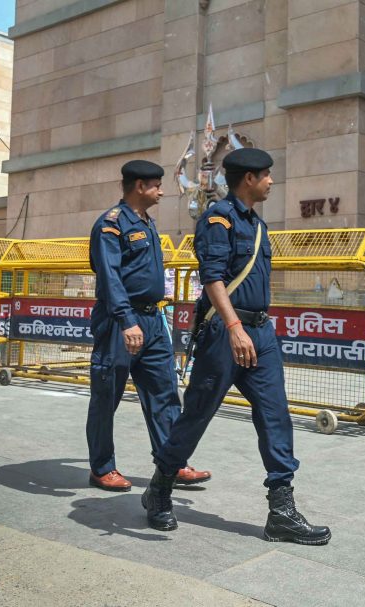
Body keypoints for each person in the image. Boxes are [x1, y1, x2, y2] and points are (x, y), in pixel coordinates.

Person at [141, 148, 330, 545]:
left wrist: (252, 329)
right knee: (196, 415)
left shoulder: (257, 224)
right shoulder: (217, 219)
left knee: (275, 415)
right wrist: (232, 326)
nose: (271, 181)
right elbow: (212, 278)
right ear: (248, 179)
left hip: (260, 332)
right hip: (226, 333)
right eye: (266, 175)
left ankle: (281, 512)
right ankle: (160, 488)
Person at [86, 160, 210, 491]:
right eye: (157, 185)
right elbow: (110, 278)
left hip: (153, 320)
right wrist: (127, 321)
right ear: (139, 186)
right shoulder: (111, 225)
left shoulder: (147, 222)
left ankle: (172, 462)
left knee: (164, 393)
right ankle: (102, 467)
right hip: (120, 322)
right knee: (106, 395)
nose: (162, 190)